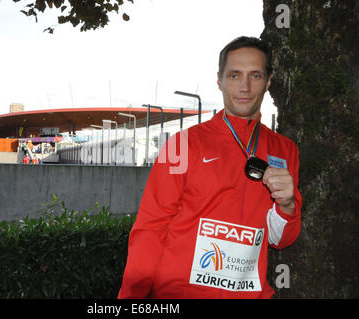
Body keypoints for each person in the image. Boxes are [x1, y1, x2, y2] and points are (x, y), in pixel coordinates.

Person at [118, 36, 302, 299]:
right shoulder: (183, 145)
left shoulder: (285, 150)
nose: (245, 87)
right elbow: (150, 228)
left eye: (256, 75)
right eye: (235, 75)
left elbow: (279, 239)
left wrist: (286, 207)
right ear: (220, 80)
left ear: (269, 82)